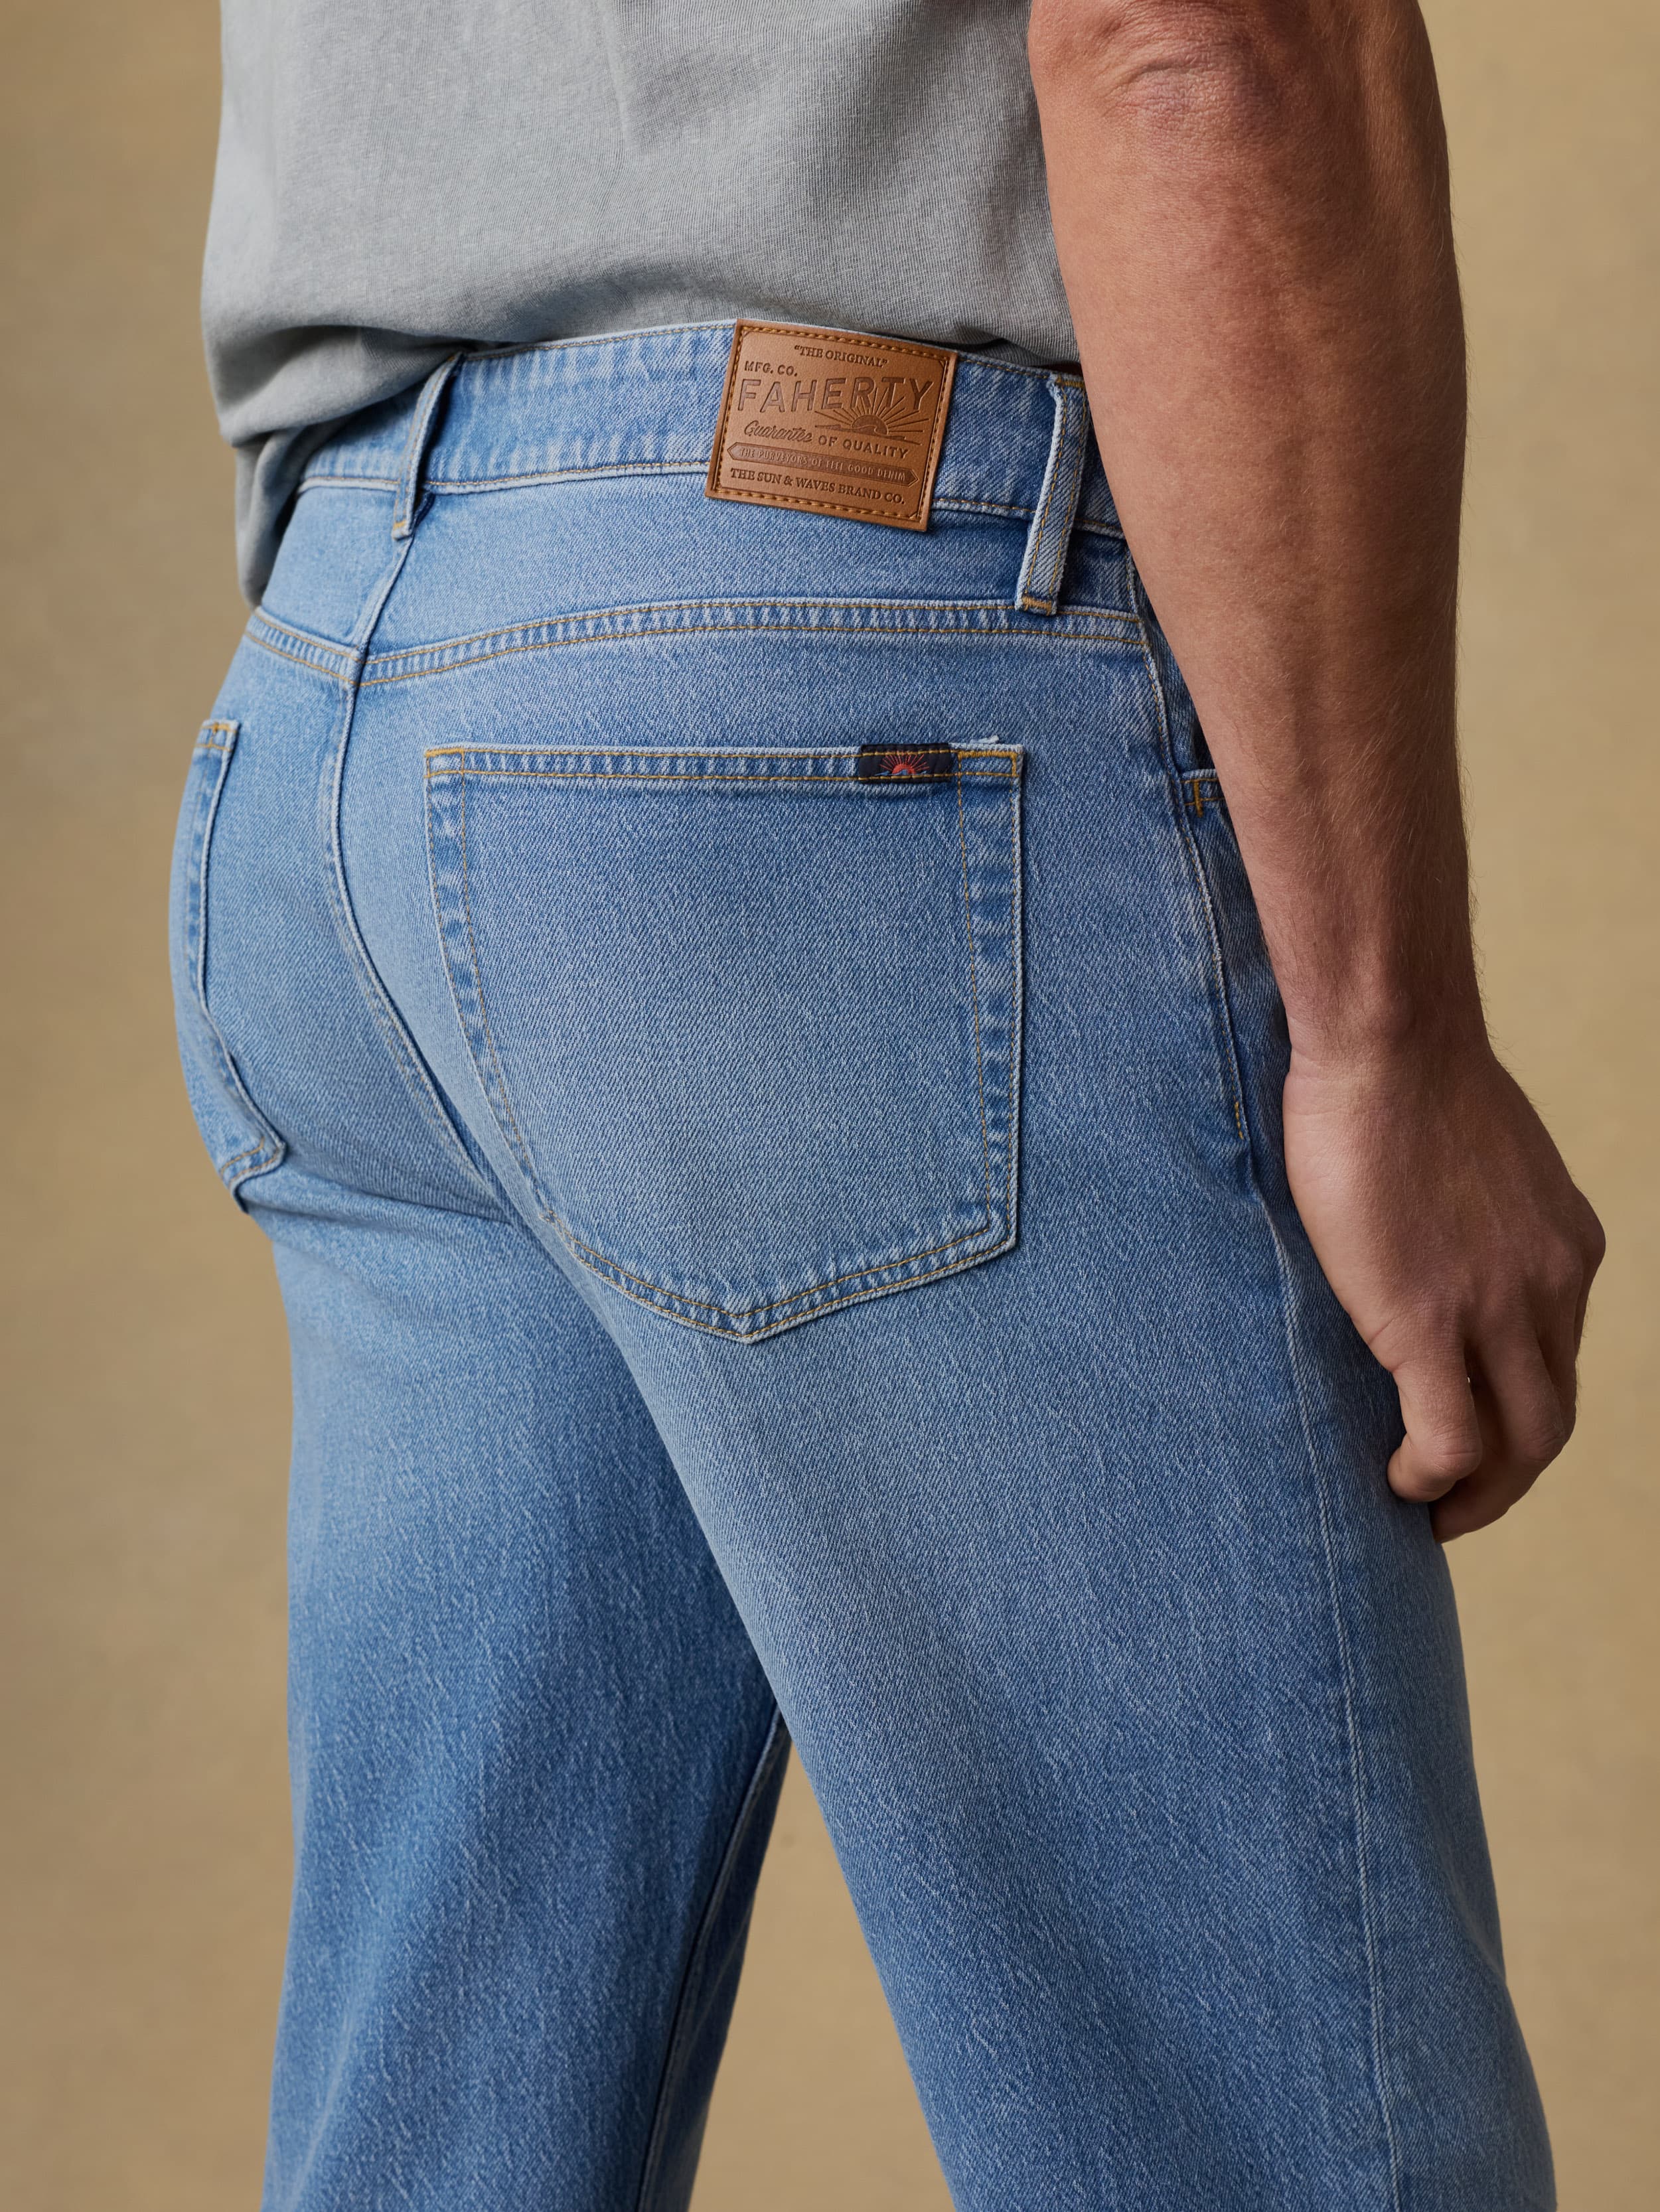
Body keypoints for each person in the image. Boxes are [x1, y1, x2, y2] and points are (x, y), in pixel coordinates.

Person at [175, 3, 1604, 2206]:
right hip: (818, 698)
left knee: (450, 2137)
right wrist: (1385, 1030)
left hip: (343, 694)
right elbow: (1203, 43)